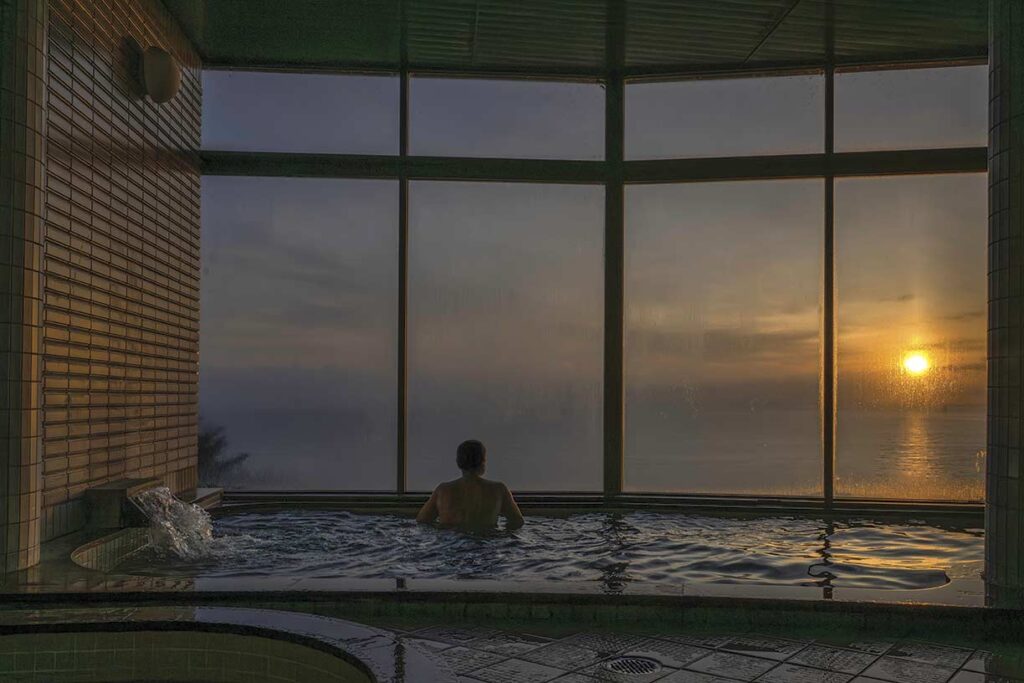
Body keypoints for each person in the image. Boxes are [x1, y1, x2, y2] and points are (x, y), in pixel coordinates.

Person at [416, 439, 524, 531]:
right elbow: (517, 522)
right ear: (482, 462)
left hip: (451, 543)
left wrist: (441, 531)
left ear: (458, 462)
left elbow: (423, 521)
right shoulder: (499, 490)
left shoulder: (443, 490)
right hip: (486, 541)